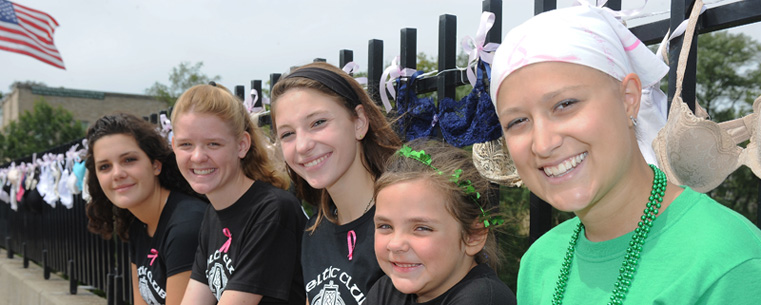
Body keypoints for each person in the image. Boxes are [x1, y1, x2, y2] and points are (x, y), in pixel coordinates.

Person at [489, 3, 761, 304]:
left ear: (628, 98)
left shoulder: (727, 262)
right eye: (517, 122)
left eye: (565, 104)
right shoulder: (539, 262)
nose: (542, 143)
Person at [270, 62, 402, 305]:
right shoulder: (313, 233)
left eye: (318, 122)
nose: (302, 146)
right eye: (288, 134)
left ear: (359, 122)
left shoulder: (404, 224)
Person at [171, 82, 306, 305]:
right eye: (186, 144)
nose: (197, 157)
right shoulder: (213, 214)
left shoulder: (272, 210)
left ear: (242, 145)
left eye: (213, 144)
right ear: (174, 146)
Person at [365, 140, 516, 304]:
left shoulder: (483, 298)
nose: (395, 244)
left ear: (474, 235)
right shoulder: (386, 291)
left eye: (421, 228)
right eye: (385, 226)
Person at [85, 113, 207, 305]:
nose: (117, 173)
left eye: (129, 160)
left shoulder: (186, 227)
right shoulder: (139, 225)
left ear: (155, 165)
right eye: (105, 166)